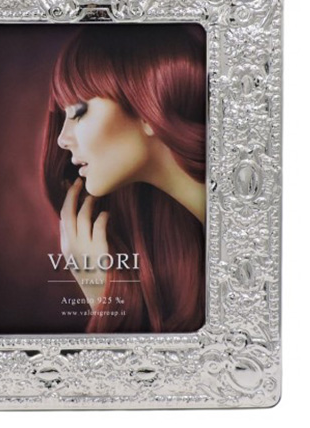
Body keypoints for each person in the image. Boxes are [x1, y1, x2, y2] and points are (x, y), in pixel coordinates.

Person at [40, 24, 206, 333]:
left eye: (79, 112)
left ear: (149, 107)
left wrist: (103, 302)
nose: (62, 139)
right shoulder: (174, 238)